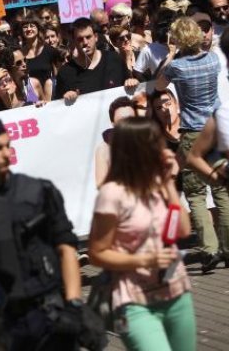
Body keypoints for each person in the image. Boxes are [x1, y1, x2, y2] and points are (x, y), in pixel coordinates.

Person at [0, 118, 100, 350]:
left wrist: (74, 304)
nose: (6, 154)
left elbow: (67, 249)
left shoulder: (39, 192)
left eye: (7, 146)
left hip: (50, 312)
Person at [89, 118, 195, 351]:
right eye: (156, 144)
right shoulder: (111, 194)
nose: (163, 149)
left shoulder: (158, 183)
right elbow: (97, 253)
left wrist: (168, 183)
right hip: (134, 302)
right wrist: (145, 260)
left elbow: (183, 230)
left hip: (177, 293)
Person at [156, 16, 224, 270]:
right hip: (216, 129)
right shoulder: (213, 59)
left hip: (193, 132)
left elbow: (160, 84)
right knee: (221, 189)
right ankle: (227, 247)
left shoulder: (178, 67)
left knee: (195, 193)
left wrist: (172, 53)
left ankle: (209, 248)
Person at [53, 18, 138, 102]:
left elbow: (129, 85)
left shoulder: (114, 59)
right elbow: (58, 108)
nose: (85, 42)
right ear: (74, 42)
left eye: (88, 37)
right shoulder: (65, 73)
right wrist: (66, 98)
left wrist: (132, 82)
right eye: (80, 39)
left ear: (96, 37)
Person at [94, 97, 138, 187]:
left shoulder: (147, 140)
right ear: (113, 123)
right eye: (121, 121)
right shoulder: (104, 149)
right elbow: (101, 186)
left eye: (131, 118)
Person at [18, 14, 53, 99]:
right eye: (25, 27)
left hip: (51, 97)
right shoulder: (18, 54)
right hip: (32, 99)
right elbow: (18, 81)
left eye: (32, 26)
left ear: (38, 29)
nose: (29, 29)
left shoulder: (49, 50)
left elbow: (57, 75)